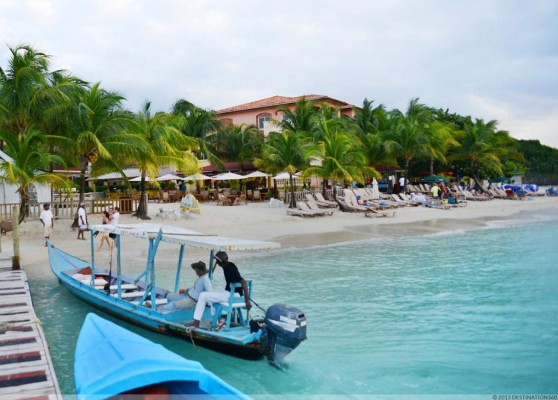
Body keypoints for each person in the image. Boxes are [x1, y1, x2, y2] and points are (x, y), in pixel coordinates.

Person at [187, 250, 251, 328]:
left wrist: (247, 301)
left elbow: (243, 282)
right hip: (230, 293)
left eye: (217, 261)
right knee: (212, 292)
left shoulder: (230, 270)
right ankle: (214, 318)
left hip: (232, 295)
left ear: (220, 261)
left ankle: (196, 322)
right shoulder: (229, 265)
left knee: (203, 295)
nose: (216, 262)